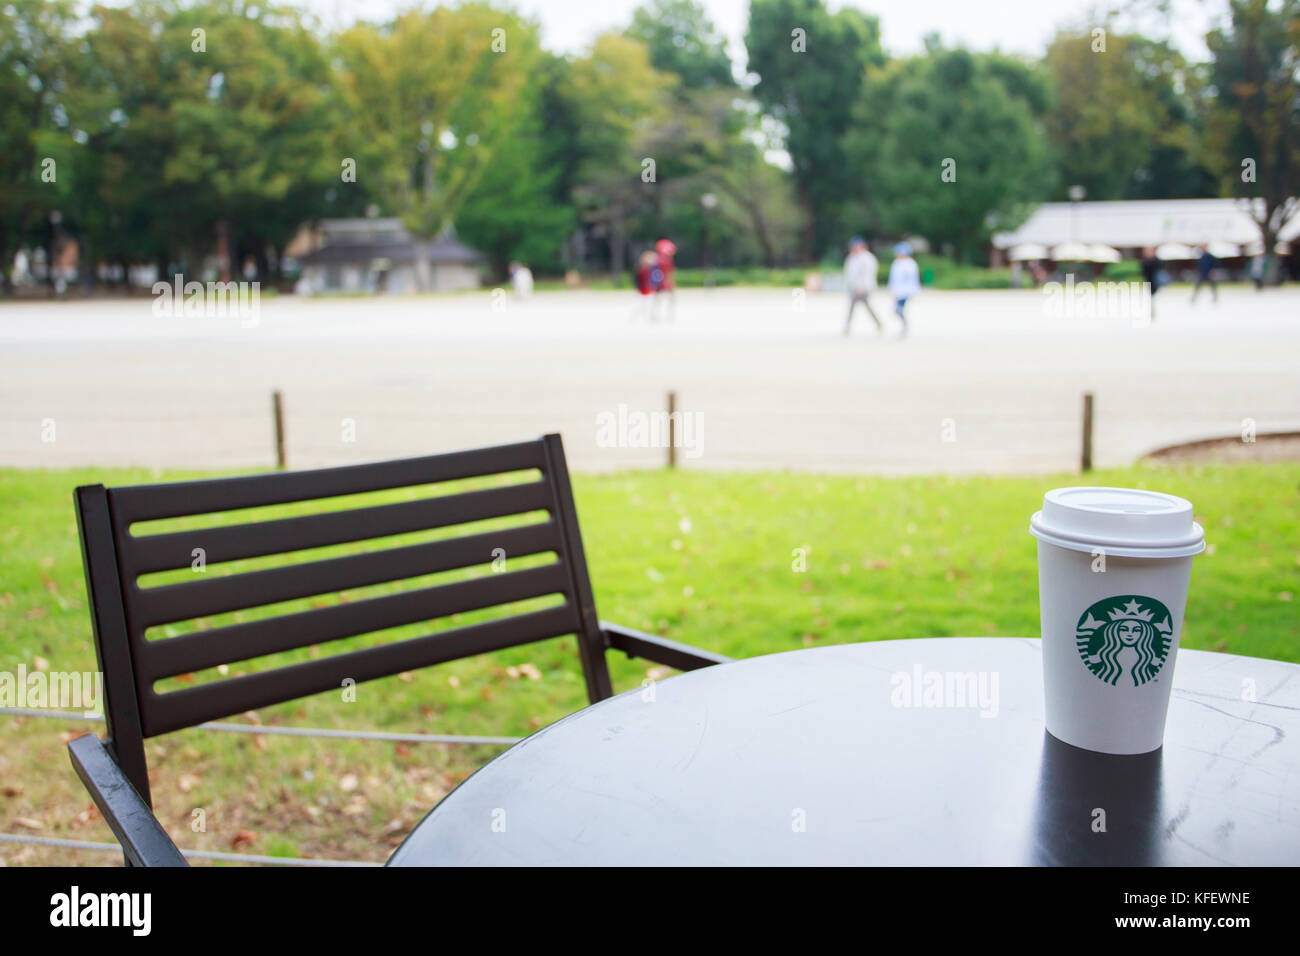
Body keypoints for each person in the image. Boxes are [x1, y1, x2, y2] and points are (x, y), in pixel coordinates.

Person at [842, 236, 882, 336]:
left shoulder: (867, 258)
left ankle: (848, 326)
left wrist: (861, 287)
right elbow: (849, 274)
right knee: (861, 306)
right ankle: (878, 323)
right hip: (854, 287)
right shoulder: (852, 258)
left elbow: (867, 275)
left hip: (863, 288)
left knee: (859, 306)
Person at [887, 242, 920, 338]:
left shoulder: (910, 264)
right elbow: (893, 278)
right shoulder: (896, 263)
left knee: (898, 309)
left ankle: (905, 326)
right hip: (898, 290)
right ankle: (904, 325)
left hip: (906, 291)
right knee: (896, 310)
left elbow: (913, 279)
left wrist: (913, 291)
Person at [653, 238, 677, 322]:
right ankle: (669, 315)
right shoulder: (667, 259)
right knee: (671, 299)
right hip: (665, 281)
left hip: (659, 281)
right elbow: (671, 272)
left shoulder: (657, 259)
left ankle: (656, 315)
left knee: (657, 299)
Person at [1139, 247, 1162, 321]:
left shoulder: (1156, 260)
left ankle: (1153, 311)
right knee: (1150, 297)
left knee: (1153, 296)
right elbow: (1143, 270)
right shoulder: (1145, 260)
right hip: (1148, 281)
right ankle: (1151, 311)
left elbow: (1159, 268)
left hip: (1155, 281)